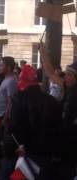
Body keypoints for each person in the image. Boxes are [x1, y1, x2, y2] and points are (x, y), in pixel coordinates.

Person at [7, 65, 62, 179]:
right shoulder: (51, 100)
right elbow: (58, 127)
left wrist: (18, 145)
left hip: (26, 152)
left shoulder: (19, 99)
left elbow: (14, 126)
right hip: (48, 153)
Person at [40, 44, 77, 179]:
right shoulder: (67, 89)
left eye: (69, 75)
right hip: (62, 141)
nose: (65, 77)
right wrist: (43, 54)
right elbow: (50, 73)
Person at [0, 56, 17, 127]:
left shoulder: (11, 81)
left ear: (9, 67)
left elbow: (10, 102)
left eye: (2, 65)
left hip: (5, 116)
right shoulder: (6, 78)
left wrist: (5, 118)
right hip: (0, 114)